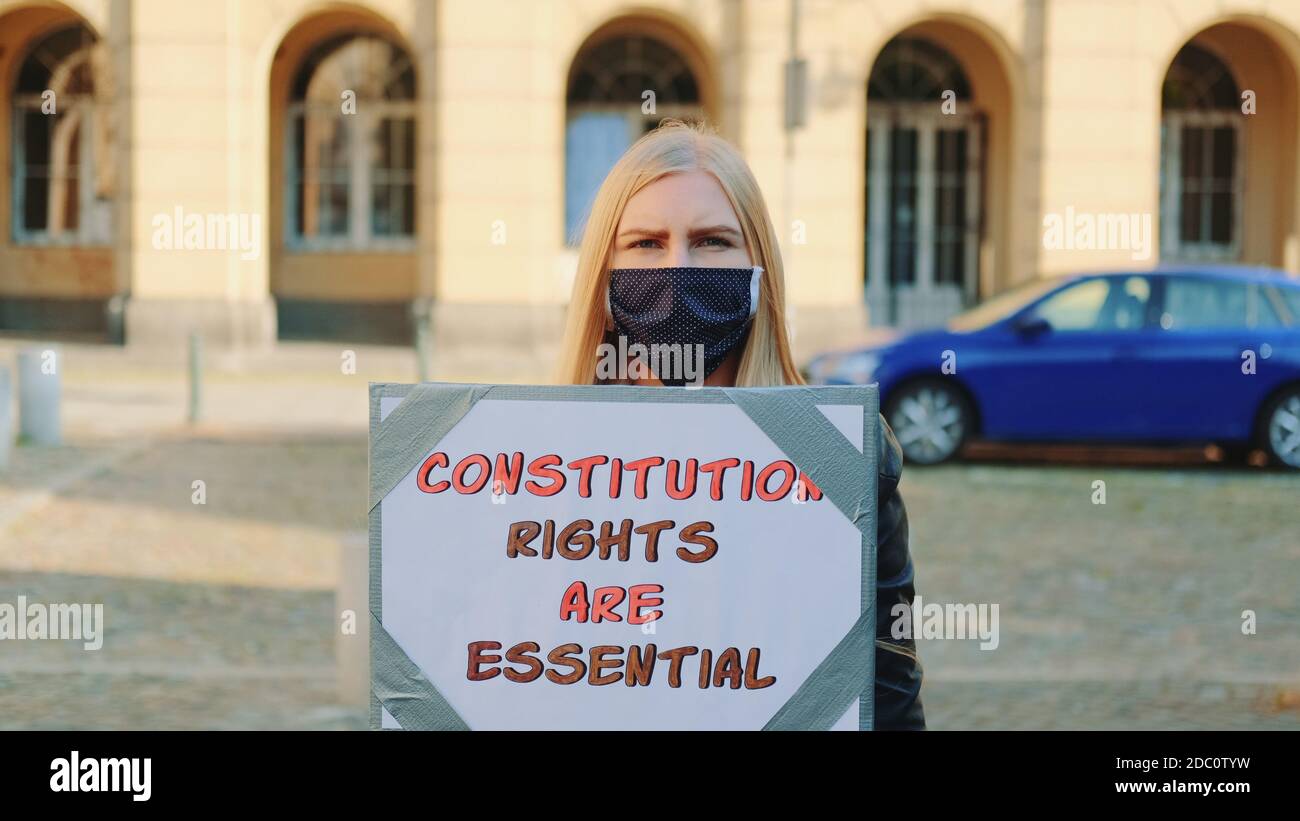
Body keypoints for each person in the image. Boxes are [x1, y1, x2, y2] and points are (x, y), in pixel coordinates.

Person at [555, 120, 925, 729]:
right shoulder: (530, 460)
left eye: (712, 241)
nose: (679, 268)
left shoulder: (844, 457)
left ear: (759, 268)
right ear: (604, 273)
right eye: (646, 243)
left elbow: (887, 692)